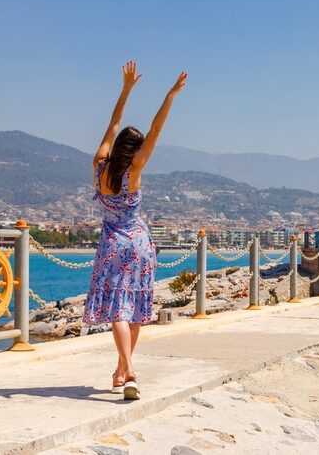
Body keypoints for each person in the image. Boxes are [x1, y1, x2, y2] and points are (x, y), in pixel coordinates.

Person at [83, 61, 187, 400]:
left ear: (116, 149)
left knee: (117, 308)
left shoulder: (100, 167)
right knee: (135, 306)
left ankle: (123, 370)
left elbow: (113, 124)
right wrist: (170, 96)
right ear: (136, 152)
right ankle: (126, 369)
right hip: (139, 244)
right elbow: (156, 131)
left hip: (112, 244)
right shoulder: (135, 171)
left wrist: (126, 88)